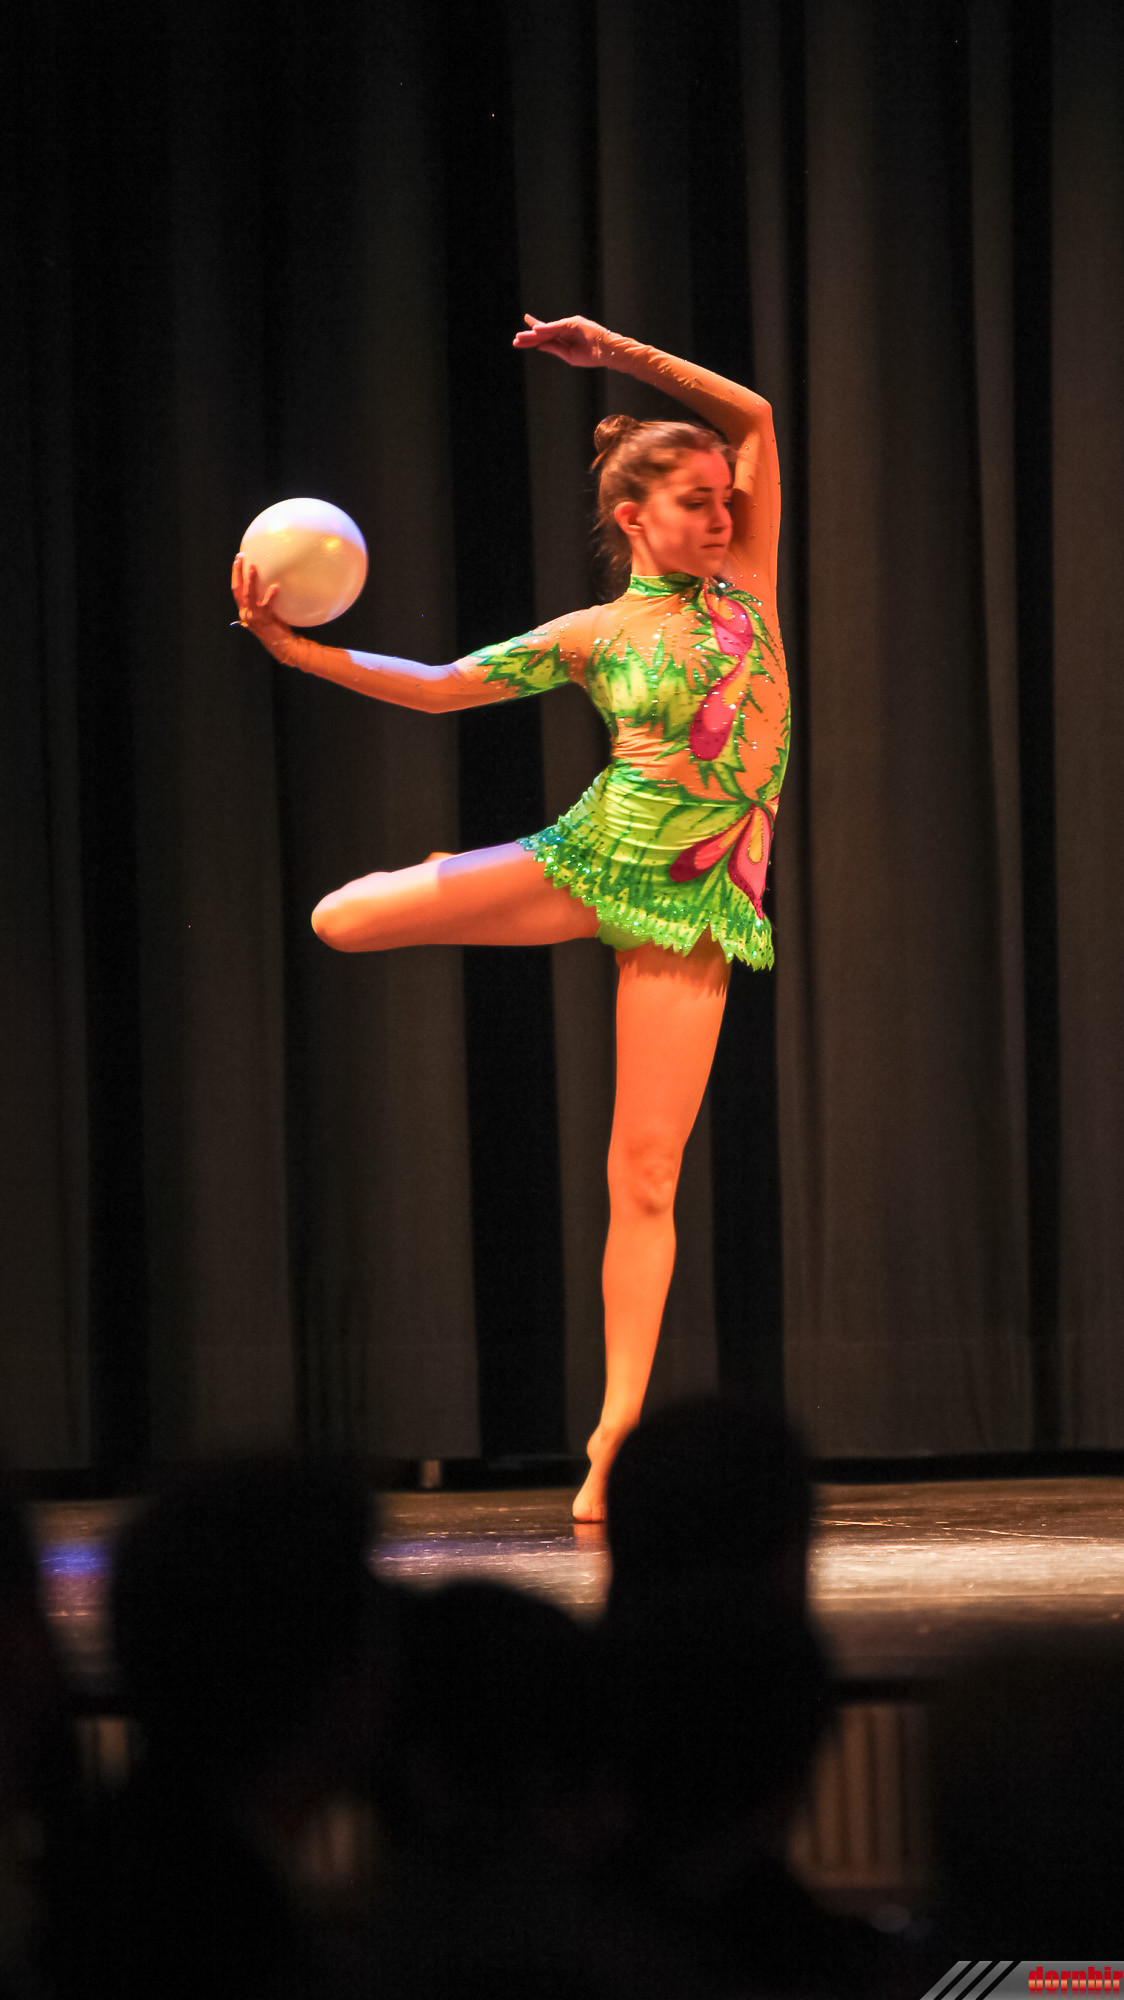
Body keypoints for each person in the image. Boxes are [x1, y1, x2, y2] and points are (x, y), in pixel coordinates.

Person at [233, 315, 788, 1520]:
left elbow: (752, 417)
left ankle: (615, 1433)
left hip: (692, 908)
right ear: (634, 517)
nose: (722, 515)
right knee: (338, 919)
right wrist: (291, 648)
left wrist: (619, 352)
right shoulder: (592, 635)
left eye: (723, 500)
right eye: (694, 502)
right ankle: (464, 873)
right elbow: (441, 689)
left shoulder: (748, 585)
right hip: (587, 861)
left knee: (645, 1171)